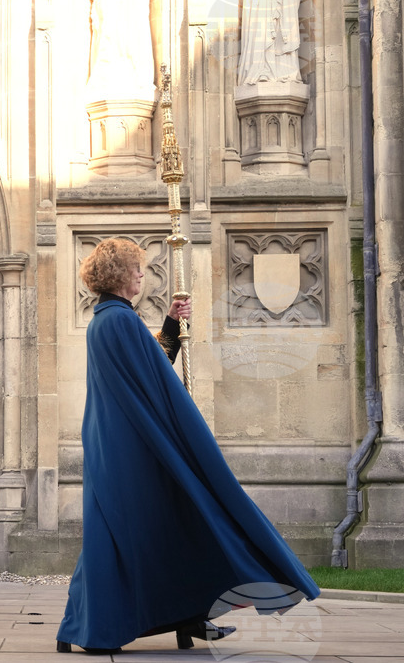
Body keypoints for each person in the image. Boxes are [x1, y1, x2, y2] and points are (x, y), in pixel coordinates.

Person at [56, 238, 320, 654]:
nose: (143, 275)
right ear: (121, 275)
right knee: (157, 525)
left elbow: (149, 365)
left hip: (118, 444)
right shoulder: (120, 321)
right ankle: (102, 627)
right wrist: (187, 432)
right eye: (137, 269)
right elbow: (155, 377)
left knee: (132, 530)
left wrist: (168, 325)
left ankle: (178, 618)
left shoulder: (105, 320)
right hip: (135, 448)